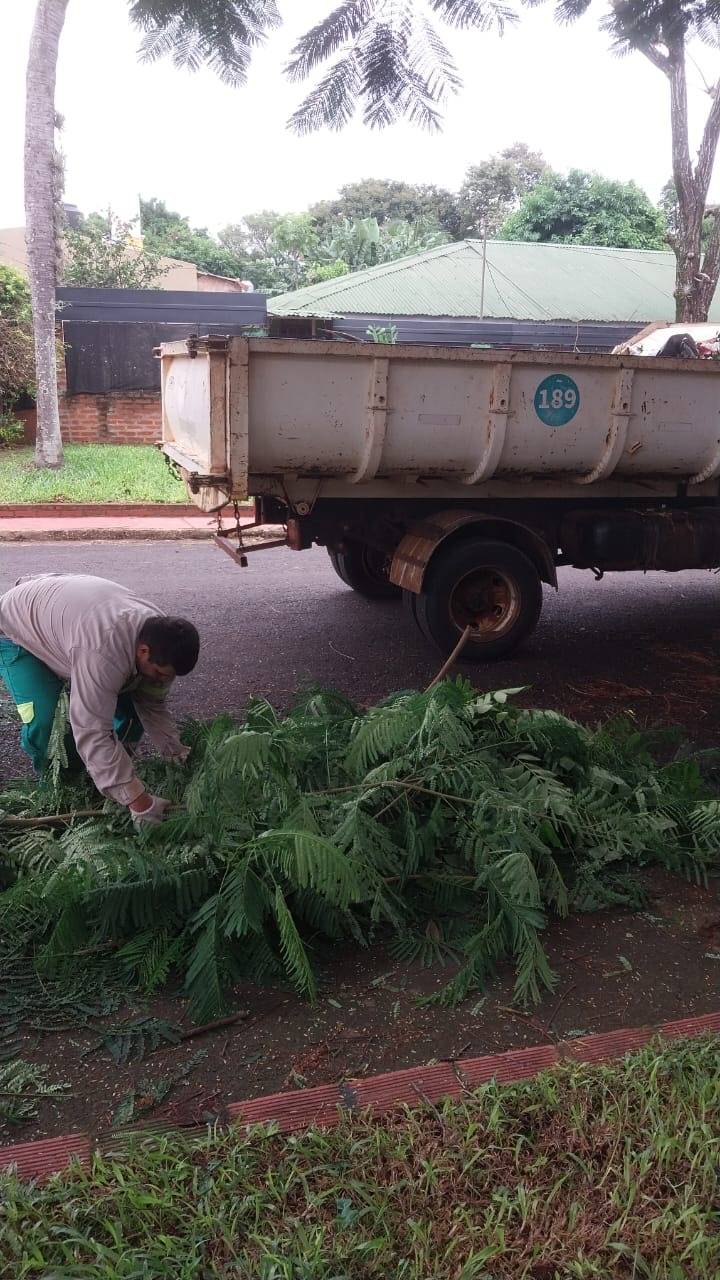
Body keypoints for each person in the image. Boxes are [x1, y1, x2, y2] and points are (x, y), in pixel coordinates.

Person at [0, 573, 199, 827]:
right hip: (18, 631)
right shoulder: (103, 651)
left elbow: (151, 704)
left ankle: (108, 775)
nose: (162, 681)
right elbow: (91, 728)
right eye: (160, 674)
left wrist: (176, 753)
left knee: (133, 705)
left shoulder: (163, 639)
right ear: (143, 651)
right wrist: (140, 803)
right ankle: (60, 793)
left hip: (68, 622)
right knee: (47, 720)